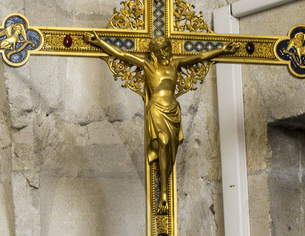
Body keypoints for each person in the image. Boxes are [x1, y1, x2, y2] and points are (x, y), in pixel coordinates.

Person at [87, 32, 235, 210]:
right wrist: (100, 42)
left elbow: (200, 56)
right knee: (163, 142)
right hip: (156, 109)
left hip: (173, 110)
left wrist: (221, 50)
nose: (165, 52)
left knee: (170, 150)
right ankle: (164, 192)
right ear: (154, 53)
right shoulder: (148, 66)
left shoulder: (175, 64)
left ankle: (165, 184)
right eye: (161, 49)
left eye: (167, 48)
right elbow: (122, 54)